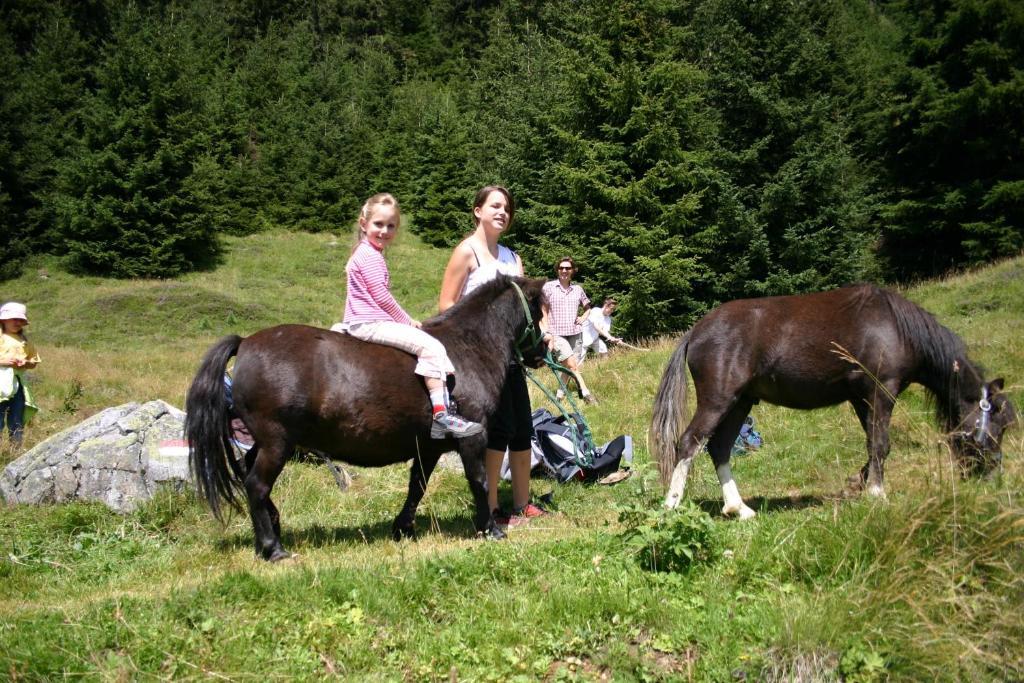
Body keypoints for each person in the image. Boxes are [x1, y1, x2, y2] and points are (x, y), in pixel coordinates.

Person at [439, 185, 548, 527]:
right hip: (478, 362)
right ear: (478, 211)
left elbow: (523, 310)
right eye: (495, 206)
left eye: (507, 208)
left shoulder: (513, 258)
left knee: (521, 429)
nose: (502, 212)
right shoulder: (466, 252)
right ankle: (490, 507)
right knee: (497, 430)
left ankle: (521, 503)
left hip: (510, 358)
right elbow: (446, 305)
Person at [332, 193, 483, 439]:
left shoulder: (364, 251)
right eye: (378, 224)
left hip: (361, 320)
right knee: (432, 347)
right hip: (369, 322)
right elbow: (381, 296)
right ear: (363, 224)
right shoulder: (369, 255)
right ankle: (442, 415)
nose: (384, 231)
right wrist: (407, 320)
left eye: (391, 226)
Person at [543, 257, 597, 403]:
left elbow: (588, 307)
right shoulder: (549, 287)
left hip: (575, 332)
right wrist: (546, 331)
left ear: (573, 271)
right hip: (556, 333)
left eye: (567, 268)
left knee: (569, 366)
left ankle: (559, 396)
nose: (564, 271)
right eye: (561, 268)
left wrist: (584, 317)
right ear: (557, 270)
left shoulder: (578, 289)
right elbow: (542, 309)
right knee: (572, 365)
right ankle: (586, 394)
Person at [0, 302, 40, 448]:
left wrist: (26, 363)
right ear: (3, 320)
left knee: (16, 419)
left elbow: (34, 361)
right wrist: (4, 361)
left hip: (18, 386)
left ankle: (15, 451)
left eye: (20, 320)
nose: (18, 323)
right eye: (13, 319)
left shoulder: (25, 341)